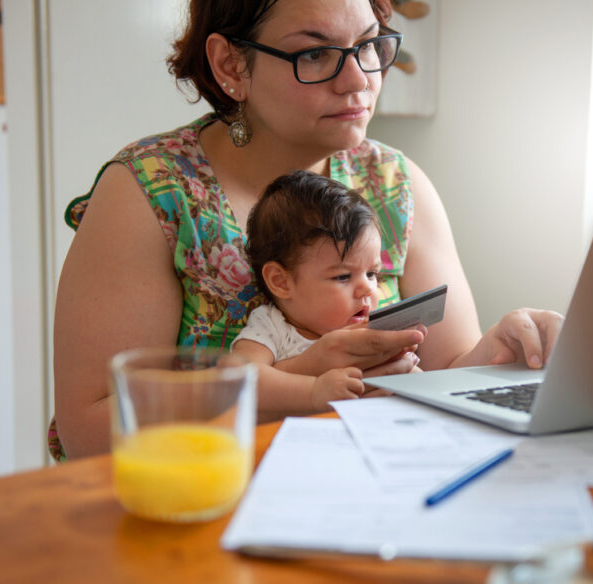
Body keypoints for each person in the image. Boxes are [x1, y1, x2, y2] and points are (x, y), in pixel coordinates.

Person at [51, 0, 564, 460]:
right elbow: (91, 430)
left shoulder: (395, 185)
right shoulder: (152, 193)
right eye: (316, 55)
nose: (358, 78)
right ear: (231, 64)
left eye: (367, 44)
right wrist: (306, 377)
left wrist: (499, 350)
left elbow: (443, 371)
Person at [233, 169, 414, 413]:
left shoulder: (374, 329)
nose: (367, 288)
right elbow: (240, 380)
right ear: (281, 281)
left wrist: (410, 373)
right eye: (342, 276)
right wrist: (313, 392)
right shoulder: (272, 326)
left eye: (372, 274)